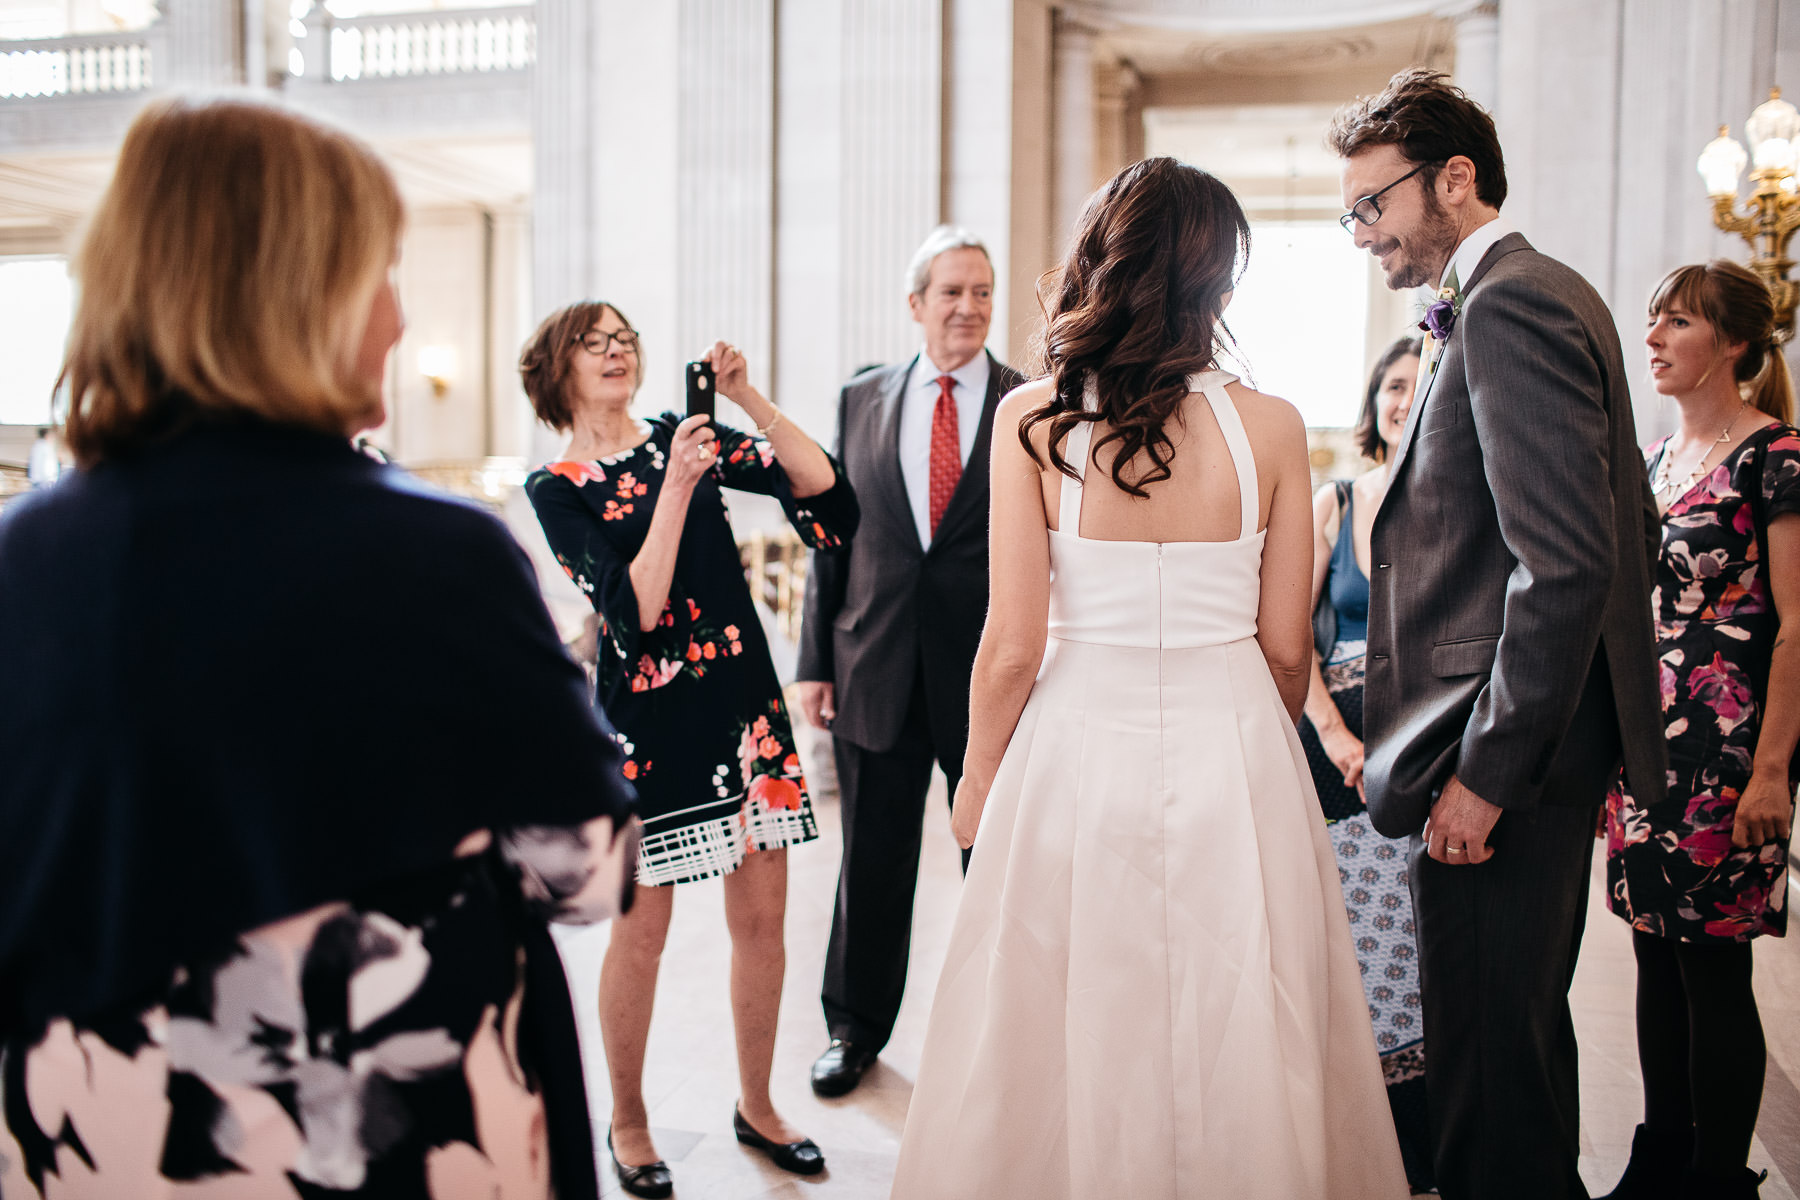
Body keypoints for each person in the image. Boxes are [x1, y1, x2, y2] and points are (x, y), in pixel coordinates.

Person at [0, 96, 638, 1200]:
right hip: (381, 1131)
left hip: (92, 1136)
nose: (398, 317)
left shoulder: (21, 560)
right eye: (381, 271)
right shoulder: (441, 553)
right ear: (306, 291)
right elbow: (586, 867)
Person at [889, 156, 1407, 1200]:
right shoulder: (1270, 424)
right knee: (1240, 1003)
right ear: (1219, 275)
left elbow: (1013, 644)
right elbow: (1287, 647)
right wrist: (1255, 748)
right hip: (1234, 738)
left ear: (1101, 258)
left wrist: (979, 780)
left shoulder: (1032, 416)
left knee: (1066, 1006)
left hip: (1076, 741)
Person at [1328, 69, 1664, 1200]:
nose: (1361, 233)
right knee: (1507, 1041)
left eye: (1372, 204)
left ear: (1453, 179)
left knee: (1486, 1065)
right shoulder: (1532, 295)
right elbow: (1620, 522)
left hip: (1501, 755)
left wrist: (1486, 775)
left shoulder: (1510, 304)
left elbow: (1566, 562)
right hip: (1519, 744)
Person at [521, 302, 857, 1196]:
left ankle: (758, 1104)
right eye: (594, 342)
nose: (616, 351)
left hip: (744, 711)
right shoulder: (555, 487)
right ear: (556, 368)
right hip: (645, 730)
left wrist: (747, 399)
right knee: (642, 936)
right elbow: (633, 610)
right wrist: (676, 483)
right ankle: (629, 1122)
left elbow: (823, 492)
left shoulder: (686, 431)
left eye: (624, 338)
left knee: (763, 924)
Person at [795, 226, 1025, 1097]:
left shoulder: (1027, 400)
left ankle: (1003, 1038)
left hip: (991, 675)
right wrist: (814, 659)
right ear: (915, 303)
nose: (969, 307)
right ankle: (853, 1029)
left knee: (996, 861)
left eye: (982, 291)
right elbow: (830, 535)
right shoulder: (861, 399)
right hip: (875, 663)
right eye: (951, 292)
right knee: (871, 862)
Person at [1599, 260, 1798, 1200]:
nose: (1653, 339)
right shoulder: (1650, 459)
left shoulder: (1776, 455)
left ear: (1735, 343)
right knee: (1651, 952)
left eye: (1677, 322)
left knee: (1713, 967)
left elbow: (1797, 626)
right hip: (1646, 743)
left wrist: (1773, 771)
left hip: (1729, 752)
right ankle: (1660, 1161)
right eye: (1655, 320)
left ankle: (1719, 1182)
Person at [1298, 335, 1435, 1194]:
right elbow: (1288, 634)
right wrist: (1333, 735)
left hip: (1418, 754)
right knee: (1350, 948)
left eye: (1420, 386)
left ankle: (1416, 1146)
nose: (1402, 399)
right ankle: (1344, 1141)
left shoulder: (1457, 502)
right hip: (1336, 757)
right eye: (1392, 385)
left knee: (1412, 955)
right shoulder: (1336, 502)